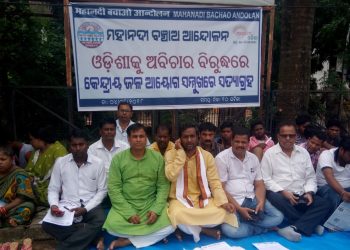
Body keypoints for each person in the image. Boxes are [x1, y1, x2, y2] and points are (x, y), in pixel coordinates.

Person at [103, 123, 174, 249]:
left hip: (150, 204)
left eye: (141, 136)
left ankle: (128, 241)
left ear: (146, 138)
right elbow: (114, 189)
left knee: (171, 224)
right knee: (112, 226)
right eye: (135, 136)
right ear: (128, 139)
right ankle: (148, 237)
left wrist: (156, 210)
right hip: (126, 204)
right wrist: (128, 213)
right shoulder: (118, 159)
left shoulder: (157, 158)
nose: (138, 139)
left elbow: (163, 186)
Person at [165, 124, 237, 243]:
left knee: (222, 211)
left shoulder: (207, 156)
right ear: (179, 139)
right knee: (176, 214)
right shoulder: (171, 154)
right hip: (179, 200)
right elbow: (171, 176)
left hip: (202, 198)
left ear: (198, 137)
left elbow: (214, 182)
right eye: (185, 137)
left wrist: (224, 202)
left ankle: (193, 227)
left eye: (192, 136)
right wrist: (181, 154)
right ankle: (204, 230)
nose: (189, 140)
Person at [261, 121, 330, 242]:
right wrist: (283, 192)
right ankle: (310, 224)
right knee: (273, 196)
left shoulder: (303, 153)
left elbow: (310, 177)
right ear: (278, 136)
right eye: (284, 135)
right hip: (280, 193)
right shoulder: (269, 154)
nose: (288, 138)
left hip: (301, 193)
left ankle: (294, 227)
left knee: (325, 204)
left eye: (291, 135)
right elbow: (266, 179)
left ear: (295, 136)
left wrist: (309, 192)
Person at [42, 129, 107, 250]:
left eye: (81, 144)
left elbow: (102, 190)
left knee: (100, 219)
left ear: (87, 145)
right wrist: (54, 205)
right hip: (67, 206)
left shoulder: (98, 163)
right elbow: (53, 189)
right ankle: (92, 237)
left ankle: (64, 247)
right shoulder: (60, 162)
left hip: (90, 205)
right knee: (47, 225)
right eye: (74, 145)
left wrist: (85, 209)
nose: (78, 148)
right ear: (69, 146)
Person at [215, 128, 283, 239]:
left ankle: (246, 222)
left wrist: (260, 201)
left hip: (253, 198)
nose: (240, 145)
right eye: (237, 141)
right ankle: (263, 228)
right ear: (231, 141)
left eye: (243, 142)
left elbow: (259, 184)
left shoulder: (253, 158)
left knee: (278, 217)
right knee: (231, 231)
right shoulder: (221, 159)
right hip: (233, 202)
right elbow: (220, 188)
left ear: (248, 143)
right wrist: (239, 209)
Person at [25, 126, 67, 206]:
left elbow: (61, 175)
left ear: (40, 139)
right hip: (34, 184)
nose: (30, 142)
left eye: (31, 139)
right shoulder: (36, 151)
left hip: (51, 185)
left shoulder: (58, 150)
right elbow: (28, 171)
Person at [0, 146, 35, 228]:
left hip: (11, 208)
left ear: (12, 159)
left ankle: (13, 221)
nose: (0, 162)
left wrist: (4, 209)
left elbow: (22, 198)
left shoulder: (20, 174)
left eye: (3, 159)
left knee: (28, 207)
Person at [316, 136, 350, 216]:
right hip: (325, 187)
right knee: (333, 194)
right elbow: (329, 177)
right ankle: (330, 223)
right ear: (342, 150)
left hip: (346, 188)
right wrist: (343, 193)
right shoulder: (327, 155)